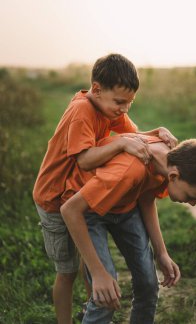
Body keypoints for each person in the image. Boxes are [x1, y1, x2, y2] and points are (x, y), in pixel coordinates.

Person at [33, 53, 177, 324]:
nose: (124, 109)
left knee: (90, 259)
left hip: (77, 192)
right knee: (68, 271)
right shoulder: (82, 111)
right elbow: (85, 158)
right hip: (54, 197)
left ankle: (94, 309)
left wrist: (157, 132)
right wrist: (120, 144)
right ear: (97, 90)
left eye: (130, 103)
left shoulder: (107, 107)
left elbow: (133, 135)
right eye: (120, 102)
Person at [61, 134, 196, 324]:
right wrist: (99, 274)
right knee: (106, 293)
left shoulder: (169, 162)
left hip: (125, 207)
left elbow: (146, 199)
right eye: (191, 196)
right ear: (174, 176)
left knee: (149, 284)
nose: (193, 204)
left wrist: (161, 252)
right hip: (88, 211)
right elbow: (70, 210)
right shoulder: (129, 171)